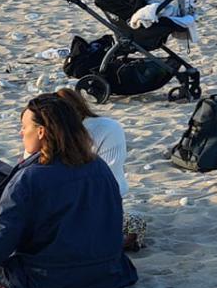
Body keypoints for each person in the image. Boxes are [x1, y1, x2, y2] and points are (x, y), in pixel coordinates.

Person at [0, 93, 137, 288]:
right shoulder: (98, 167)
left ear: (41, 131)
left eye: (24, 127)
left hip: (49, 282)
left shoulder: (31, 177)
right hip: (110, 274)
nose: (21, 132)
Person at [51, 89, 146, 251]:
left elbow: (109, 182)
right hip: (63, 203)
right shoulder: (46, 131)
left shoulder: (106, 129)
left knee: (133, 222)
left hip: (96, 201)